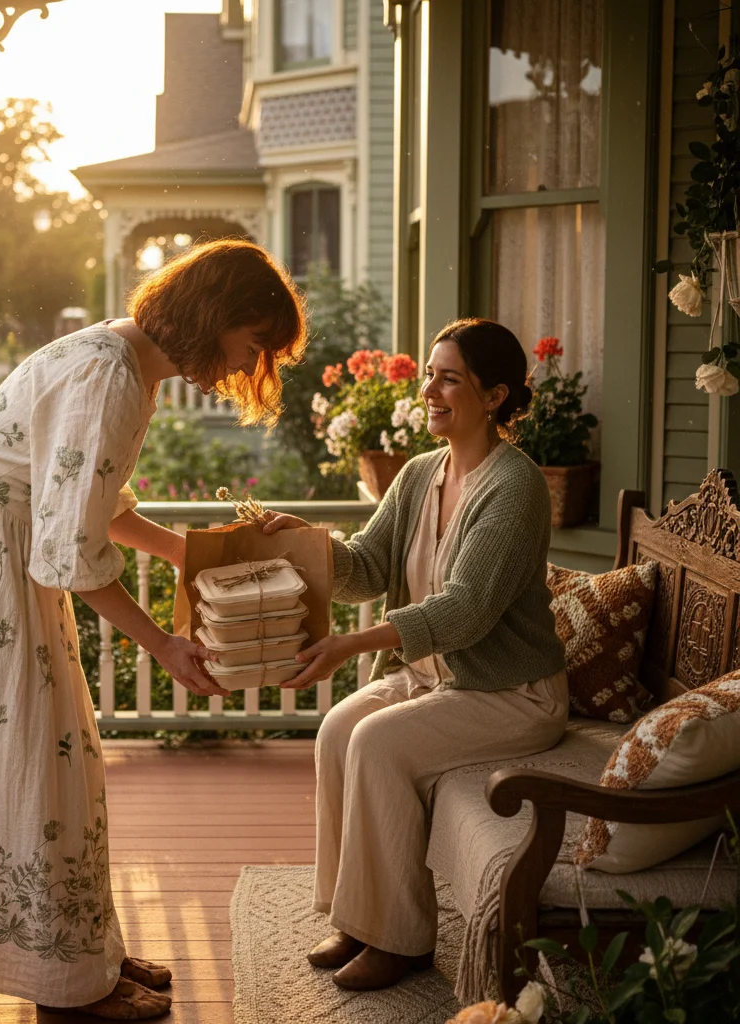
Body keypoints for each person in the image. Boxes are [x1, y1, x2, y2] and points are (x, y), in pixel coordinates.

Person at [0, 240, 306, 1019]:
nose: (246, 366)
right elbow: (73, 553)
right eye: (252, 343)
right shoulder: (110, 376)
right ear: (217, 314)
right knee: (35, 756)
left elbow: (94, 506)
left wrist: (191, 555)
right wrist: (164, 645)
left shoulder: (124, 361)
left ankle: (84, 954)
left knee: (53, 754)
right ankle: (67, 984)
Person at [262, 317, 568, 991]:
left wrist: (350, 644)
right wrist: (306, 542)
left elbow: (465, 610)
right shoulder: (418, 473)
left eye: (448, 379)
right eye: (429, 375)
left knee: (378, 743)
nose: (428, 390)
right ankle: (355, 915)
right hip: (434, 679)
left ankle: (399, 940)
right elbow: (367, 567)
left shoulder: (515, 488)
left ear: (494, 396)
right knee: (337, 729)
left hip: (511, 692)